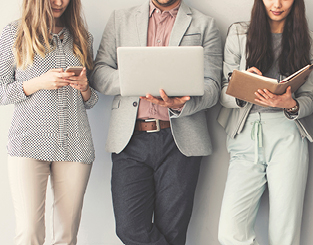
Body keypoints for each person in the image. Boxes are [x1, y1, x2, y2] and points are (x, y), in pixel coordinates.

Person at [90, 0, 222, 244]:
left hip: (180, 141)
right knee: (129, 229)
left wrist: (181, 103)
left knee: (173, 232)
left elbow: (213, 87)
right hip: (130, 139)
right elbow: (99, 73)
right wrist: (137, 79)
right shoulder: (121, 19)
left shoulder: (205, 24)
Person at [0, 0, 96, 244]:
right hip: (28, 144)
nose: (59, 2)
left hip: (75, 145)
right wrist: (39, 82)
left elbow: (91, 102)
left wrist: (85, 88)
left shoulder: (81, 37)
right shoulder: (15, 33)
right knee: (29, 232)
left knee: (66, 235)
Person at [216, 0, 313, 244]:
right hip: (245, 135)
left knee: (285, 233)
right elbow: (222, 93)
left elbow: (310, 99)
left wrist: (291, 105)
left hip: (288, 135)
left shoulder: (310, 39)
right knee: (230, 233)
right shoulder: (239, 33)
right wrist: (242, 86)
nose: (277, 4)